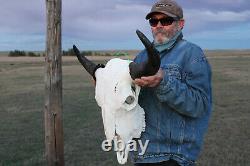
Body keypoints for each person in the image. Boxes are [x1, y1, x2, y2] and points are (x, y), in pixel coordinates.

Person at [131, 0, 212, 166]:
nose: (159, 25)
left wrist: (163, 82)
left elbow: (200, 105)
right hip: (142, 152)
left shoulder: (192, 54)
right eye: (154, 21)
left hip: (172, 157)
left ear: (180, 24)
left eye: (166, 21)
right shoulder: (141, 57)